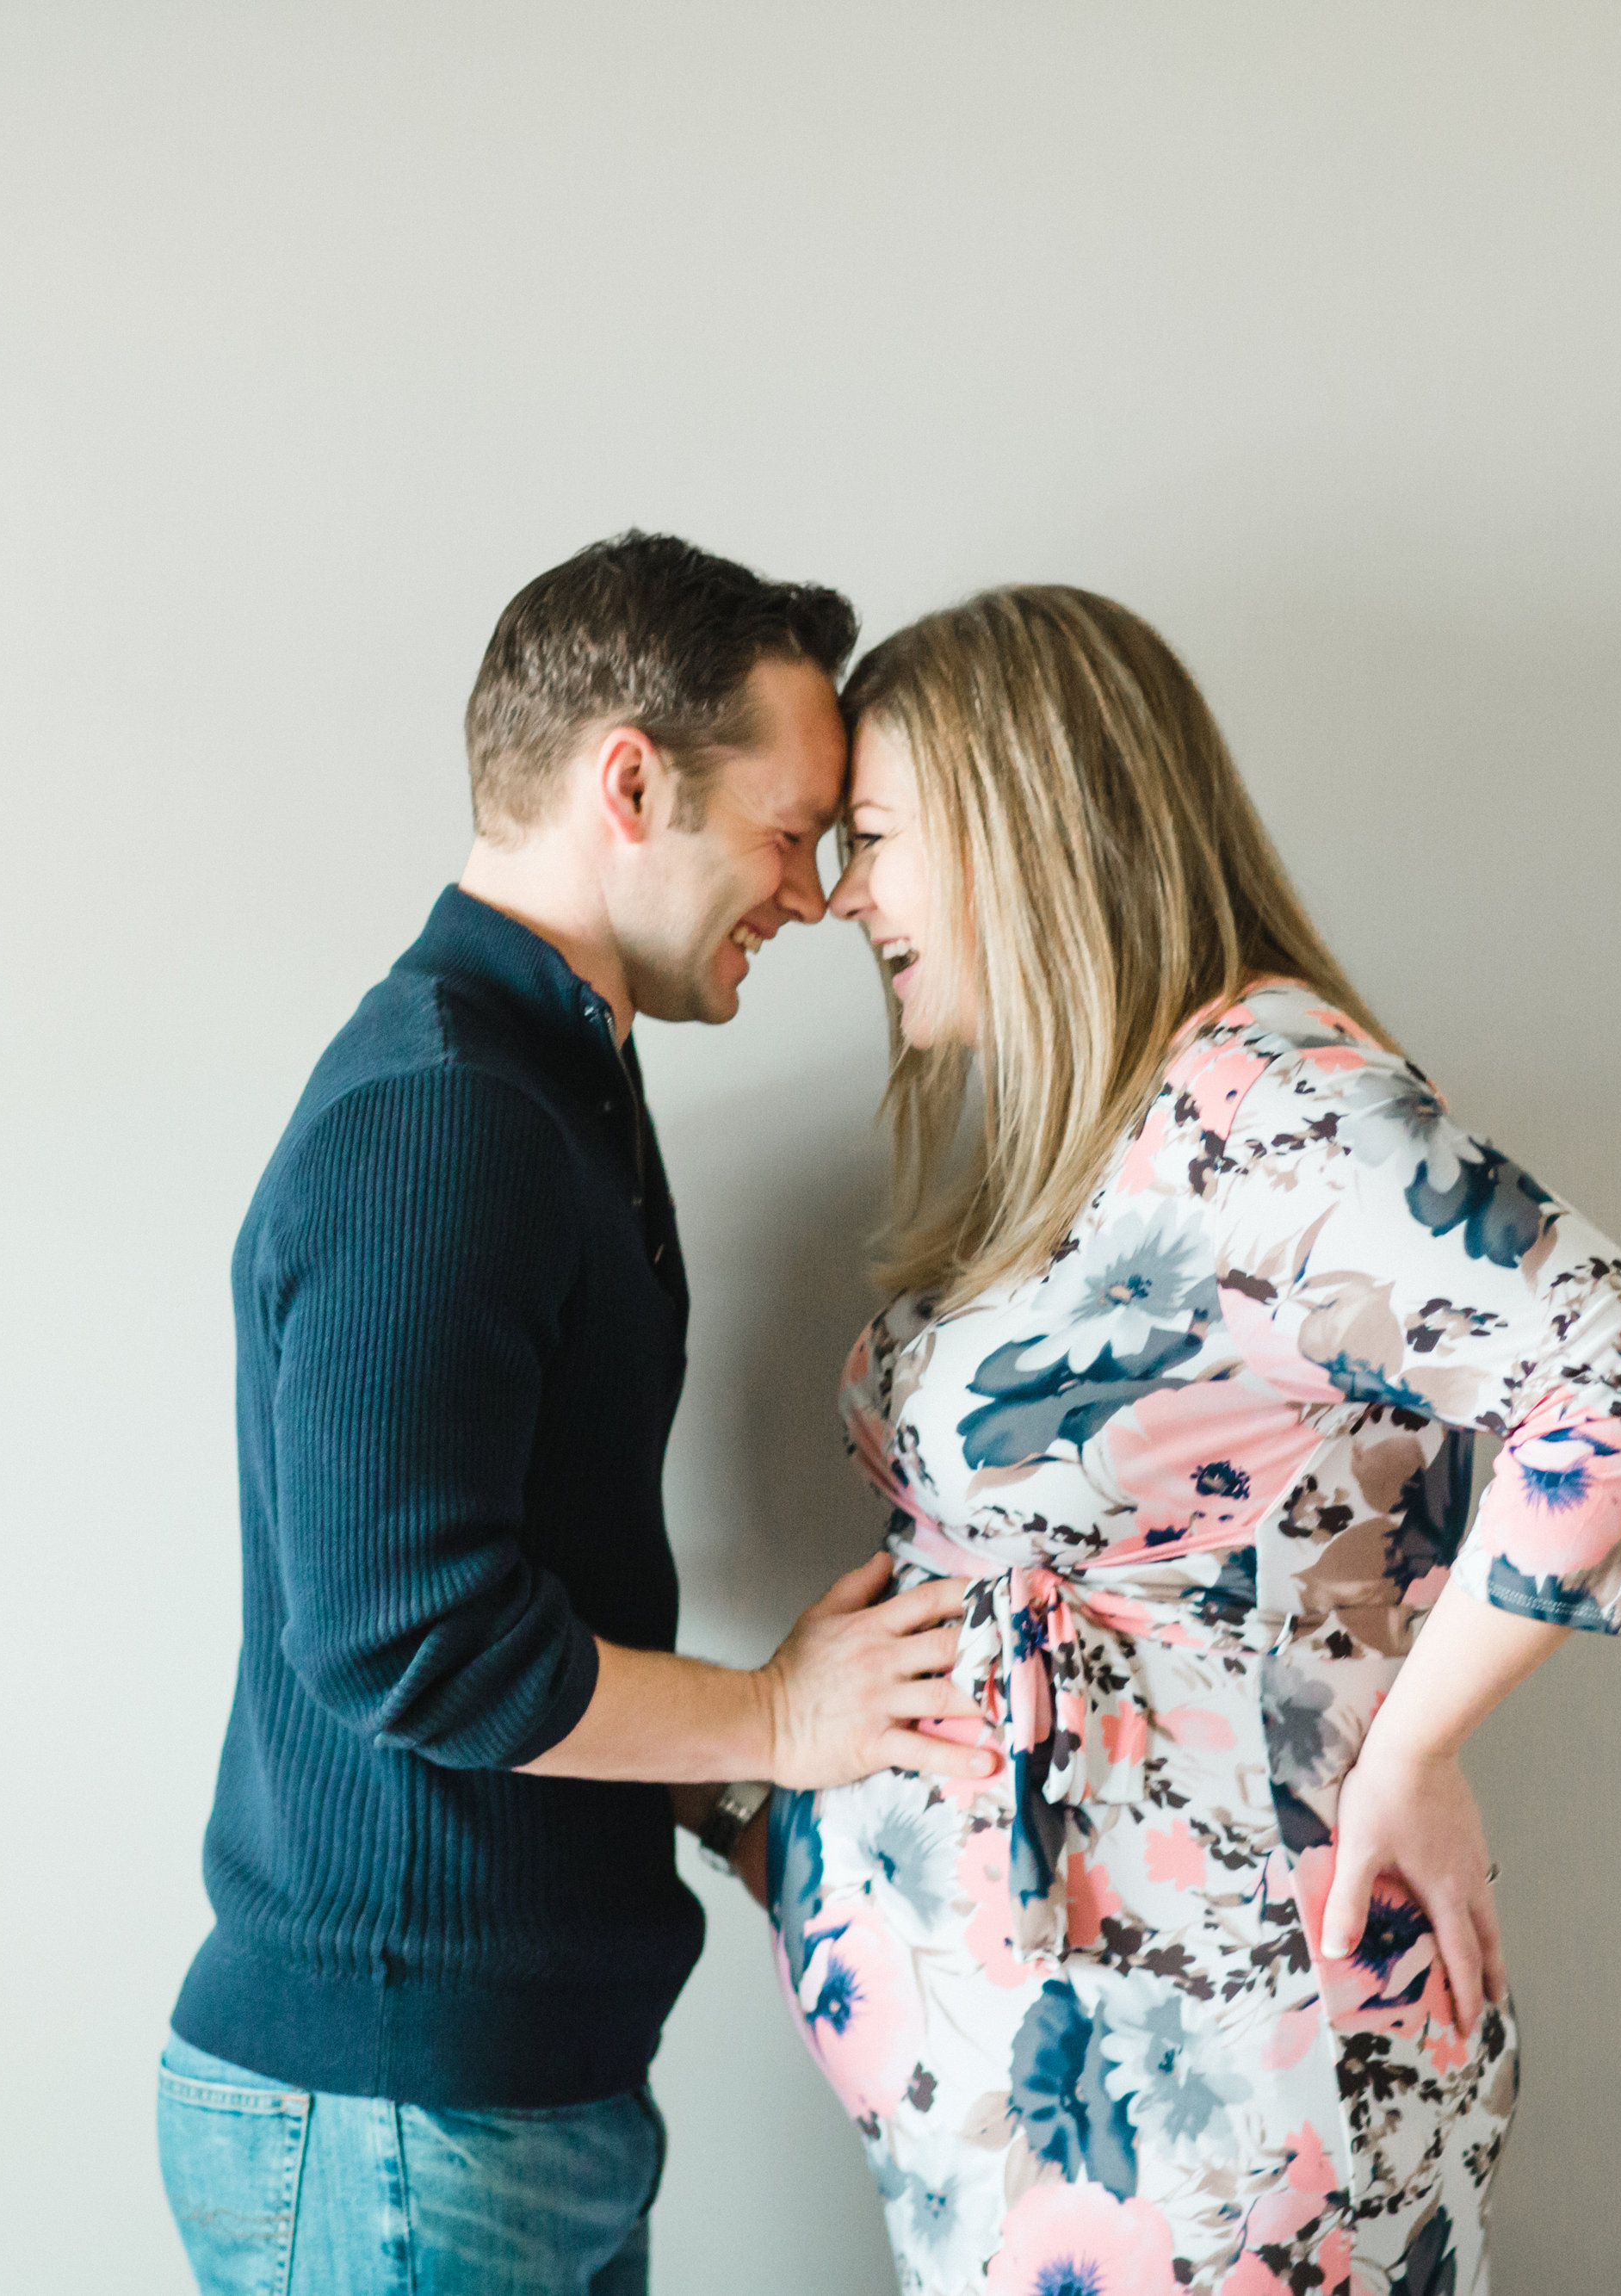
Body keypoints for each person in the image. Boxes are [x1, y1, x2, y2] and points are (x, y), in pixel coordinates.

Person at [762, 586, 1621, 2293]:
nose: (845, 895)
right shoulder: (1127, 1123)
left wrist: (1407, 1749)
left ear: (1024, 822)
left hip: (1217, 2098)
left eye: (878, 840)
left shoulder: (1264, 1109)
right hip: (1069, 2110)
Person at [158, 533, 998, 2295]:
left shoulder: (557, 1087)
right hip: (401, 2108)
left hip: (494, 2103)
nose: (816, 896)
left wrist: (735, 1781)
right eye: (789, 831)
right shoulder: (446, 1112)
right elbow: (409, 1637)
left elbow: (530, 1583)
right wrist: (773, 1713)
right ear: (631, 783)